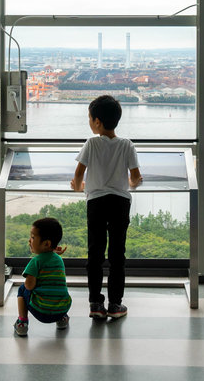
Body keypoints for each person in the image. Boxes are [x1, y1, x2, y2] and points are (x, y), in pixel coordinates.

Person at [70, 94, 142, 320]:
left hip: (96, 202)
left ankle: (95, 303)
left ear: (98, 121)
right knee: (117, 253)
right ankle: (115, 304)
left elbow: (79, 174)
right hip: (120, 202)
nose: (89, 122)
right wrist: (130, 184)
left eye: (90, 118)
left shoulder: (91, 143)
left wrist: (77, 186)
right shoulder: (127, 144)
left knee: (95, 252)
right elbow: (136, 177)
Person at [14, 217, 72, 337]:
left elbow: (29, 286)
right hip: (62, 309)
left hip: (42, 313)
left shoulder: (35, 262)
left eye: (33, 237)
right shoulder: (59, 260)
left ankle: (22, 323)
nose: (29, 241)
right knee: (57, 288)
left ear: (46, 244)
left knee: (21, 289)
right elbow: (49, 257)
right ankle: (62, 320)